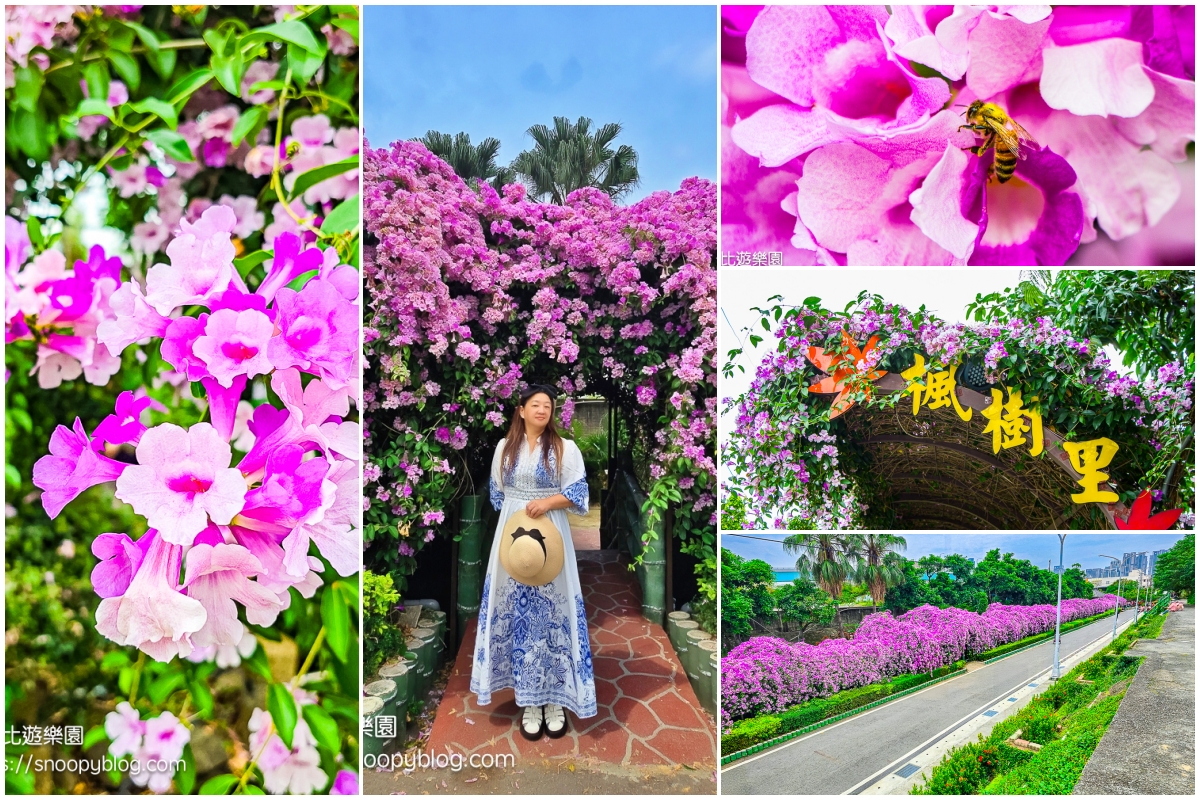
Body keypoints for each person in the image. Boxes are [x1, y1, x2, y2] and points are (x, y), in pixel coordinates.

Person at [469, 385, 596, 740]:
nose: (542, 410)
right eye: (535, 405)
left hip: (550, 532)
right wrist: (519, 506)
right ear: (521, 410)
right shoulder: (503, 448)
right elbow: (497, 493)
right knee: (516, 611)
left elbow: (578, 491)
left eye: (548, 406)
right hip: (513, 533)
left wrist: (546, 502)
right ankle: (529, 701)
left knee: (552, 612)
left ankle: (554, 699)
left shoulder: (563, 448)